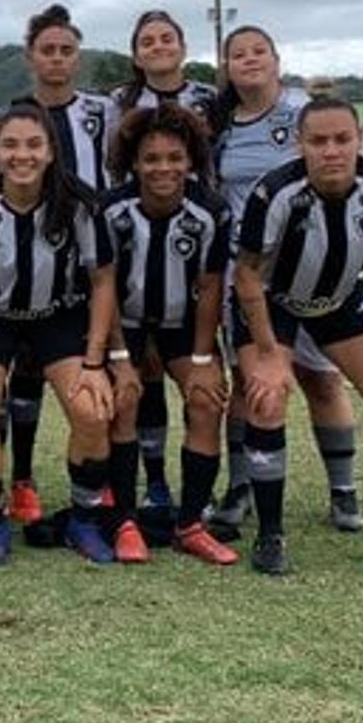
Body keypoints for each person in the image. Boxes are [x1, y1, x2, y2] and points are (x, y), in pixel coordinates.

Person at [233, 96, 363, 578]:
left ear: (360, 140)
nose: (331, 151)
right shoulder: (276, 191)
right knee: (265, 397)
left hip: (339, 298)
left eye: (342, 139)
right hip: (273, 301)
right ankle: (270, 534)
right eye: (318, 141)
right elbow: (246, 276)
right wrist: (269, 355)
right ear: (300, 145)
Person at [0, 103, 119, 567]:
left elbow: (102, 278)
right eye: (10, 145)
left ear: (51, 151)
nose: (22, 155)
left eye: (34, 144)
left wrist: (96, 362)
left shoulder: (79, 205)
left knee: (92, 412)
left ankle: (82, 519)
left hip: (57, 316)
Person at [210, 26, 363, 537]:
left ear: (277, 60)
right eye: (238, 54)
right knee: (250, 385)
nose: (249, 60)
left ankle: (343, 490)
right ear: (226, 67)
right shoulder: (219, 124)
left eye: (259, 52)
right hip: (249, 275)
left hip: (313, 271)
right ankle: (241, 488)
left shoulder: (304, 113)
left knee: (320, 379)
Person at [99, 106, 237, 565]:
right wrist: (118, 355)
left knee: (206, 399)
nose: (163, 168)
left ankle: (191, 523)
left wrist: (201, 361)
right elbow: (103, 287)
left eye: (174, 157)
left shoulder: (212, 211)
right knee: (122, 400)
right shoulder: (111, 210)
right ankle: (124, 521)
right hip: (127, 324)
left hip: (183, 325)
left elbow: (213, 285)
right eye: (151, 158)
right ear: (134, 162)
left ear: (191, 160)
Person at [6, 5, 123, 526]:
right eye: (47, 50)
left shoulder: (102, 111)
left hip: (88, 253)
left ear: (77, 56)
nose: (56, 58)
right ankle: (23, 479)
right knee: (23, 373)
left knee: (103, 371)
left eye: (65, 50)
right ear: (32, 56)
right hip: (27, 259)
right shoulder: (15, 115)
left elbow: (117, 172)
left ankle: (113, 487)